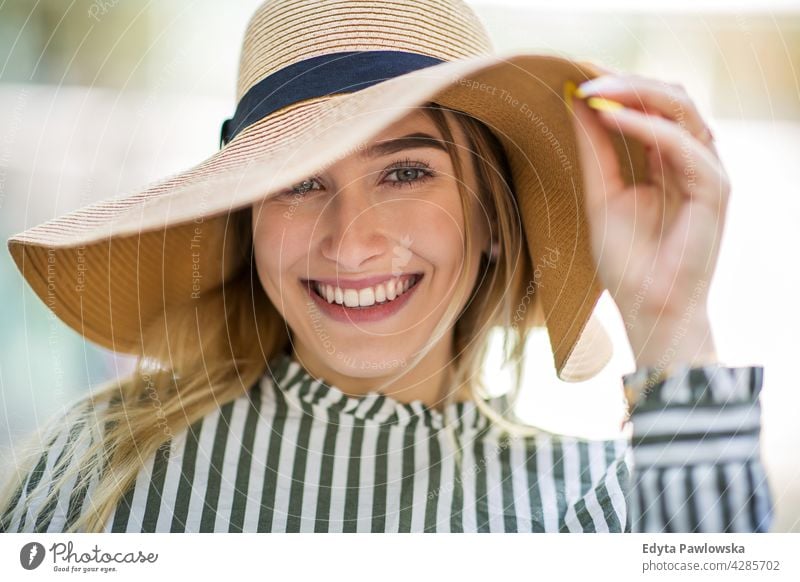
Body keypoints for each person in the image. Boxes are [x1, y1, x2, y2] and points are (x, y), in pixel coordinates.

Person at [0, 0, 772, 533]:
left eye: (406, 173)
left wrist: (671, 321)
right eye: (298, 182)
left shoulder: (592, 510)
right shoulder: (102, 473)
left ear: (491, 218)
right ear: (249, 224)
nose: (352, 242)